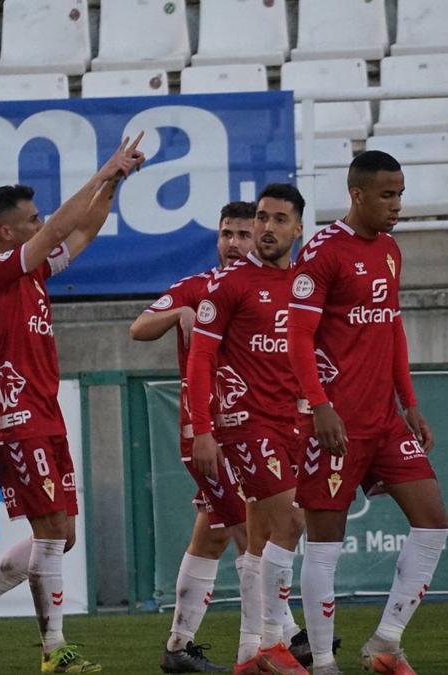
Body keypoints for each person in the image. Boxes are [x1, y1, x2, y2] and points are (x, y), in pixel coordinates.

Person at [0, 135, 146, 674]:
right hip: (15, 416)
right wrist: (104, 167)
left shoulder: (34, 276)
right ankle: (55, 650)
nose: (43, 223)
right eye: (32, 219)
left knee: (63, 536)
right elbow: (59, 228)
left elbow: (86, 227)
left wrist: (115, 182)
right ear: (7, 232)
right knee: (52, 532)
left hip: (45, 413)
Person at [287, 151, 448, 675]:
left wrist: (412, 403)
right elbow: (297, 337)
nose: (397, 205)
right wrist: (320, 407)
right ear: (357, 194)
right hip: (336, 423)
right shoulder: (323, 252)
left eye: (400, 193)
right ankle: (322, 665)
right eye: (387, 194)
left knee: (433, 523)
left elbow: (392, 328)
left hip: (384, 421)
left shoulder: (390, 250)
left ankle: (385, 641)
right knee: (324, 546)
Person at [130, 202, 257, 673]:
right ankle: (270, 642)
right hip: (209, 431)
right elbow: (139, 327)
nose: (234, 243)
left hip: (254, 427)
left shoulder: (269, 289)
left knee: (214, 537)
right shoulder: (197, 288)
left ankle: (179, 647)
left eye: (243, 233)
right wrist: (180, 311)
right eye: (227, 233)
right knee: (252, 531)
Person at [186, 185, 308, 675]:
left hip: (291, 422)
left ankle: (248, 654)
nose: (266, 228)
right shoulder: (230, 284)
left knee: (257, 542)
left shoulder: (304, 283)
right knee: (292, 523)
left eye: (279, 219)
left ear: (298, 228)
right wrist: (202, 429)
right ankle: (276, 643)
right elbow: (200, 359)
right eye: (261, 218)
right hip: (244, 422)